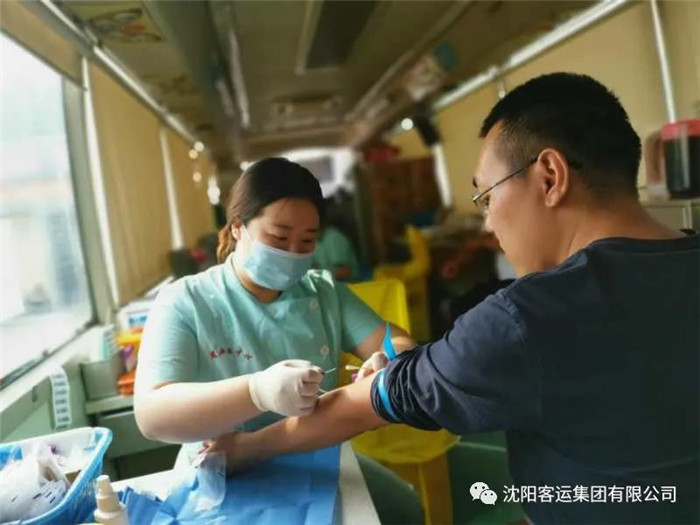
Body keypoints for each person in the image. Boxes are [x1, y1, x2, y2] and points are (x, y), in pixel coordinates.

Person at [203, 74, 699, 525]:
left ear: (550, 176)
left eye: (487, 196)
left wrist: (245, 448)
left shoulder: (524, 321)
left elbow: (360, 405)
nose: (489, 222)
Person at [134, 157, 414, 466]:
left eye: (307, 240)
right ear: (238, 227)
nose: (293, 252)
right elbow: (151, 415)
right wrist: (257, 392)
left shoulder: (324, 293)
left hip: (314, 456)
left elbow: (397, 341)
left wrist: (387, 359)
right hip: (218, 465)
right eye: (279, 237)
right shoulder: (185, 301)